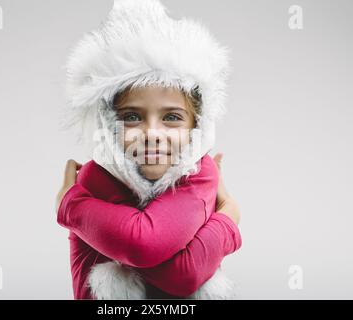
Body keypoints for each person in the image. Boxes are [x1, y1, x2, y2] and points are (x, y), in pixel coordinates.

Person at [56, 0, 242, 299]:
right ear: (105, 123)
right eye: (132, 117)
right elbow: (155, 255)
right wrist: (228, 219)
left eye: (171, 117)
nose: (152, 134)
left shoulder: (198, 173)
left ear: (197, 128)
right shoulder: (96, 179)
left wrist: (71, 205)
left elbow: (185, 277)